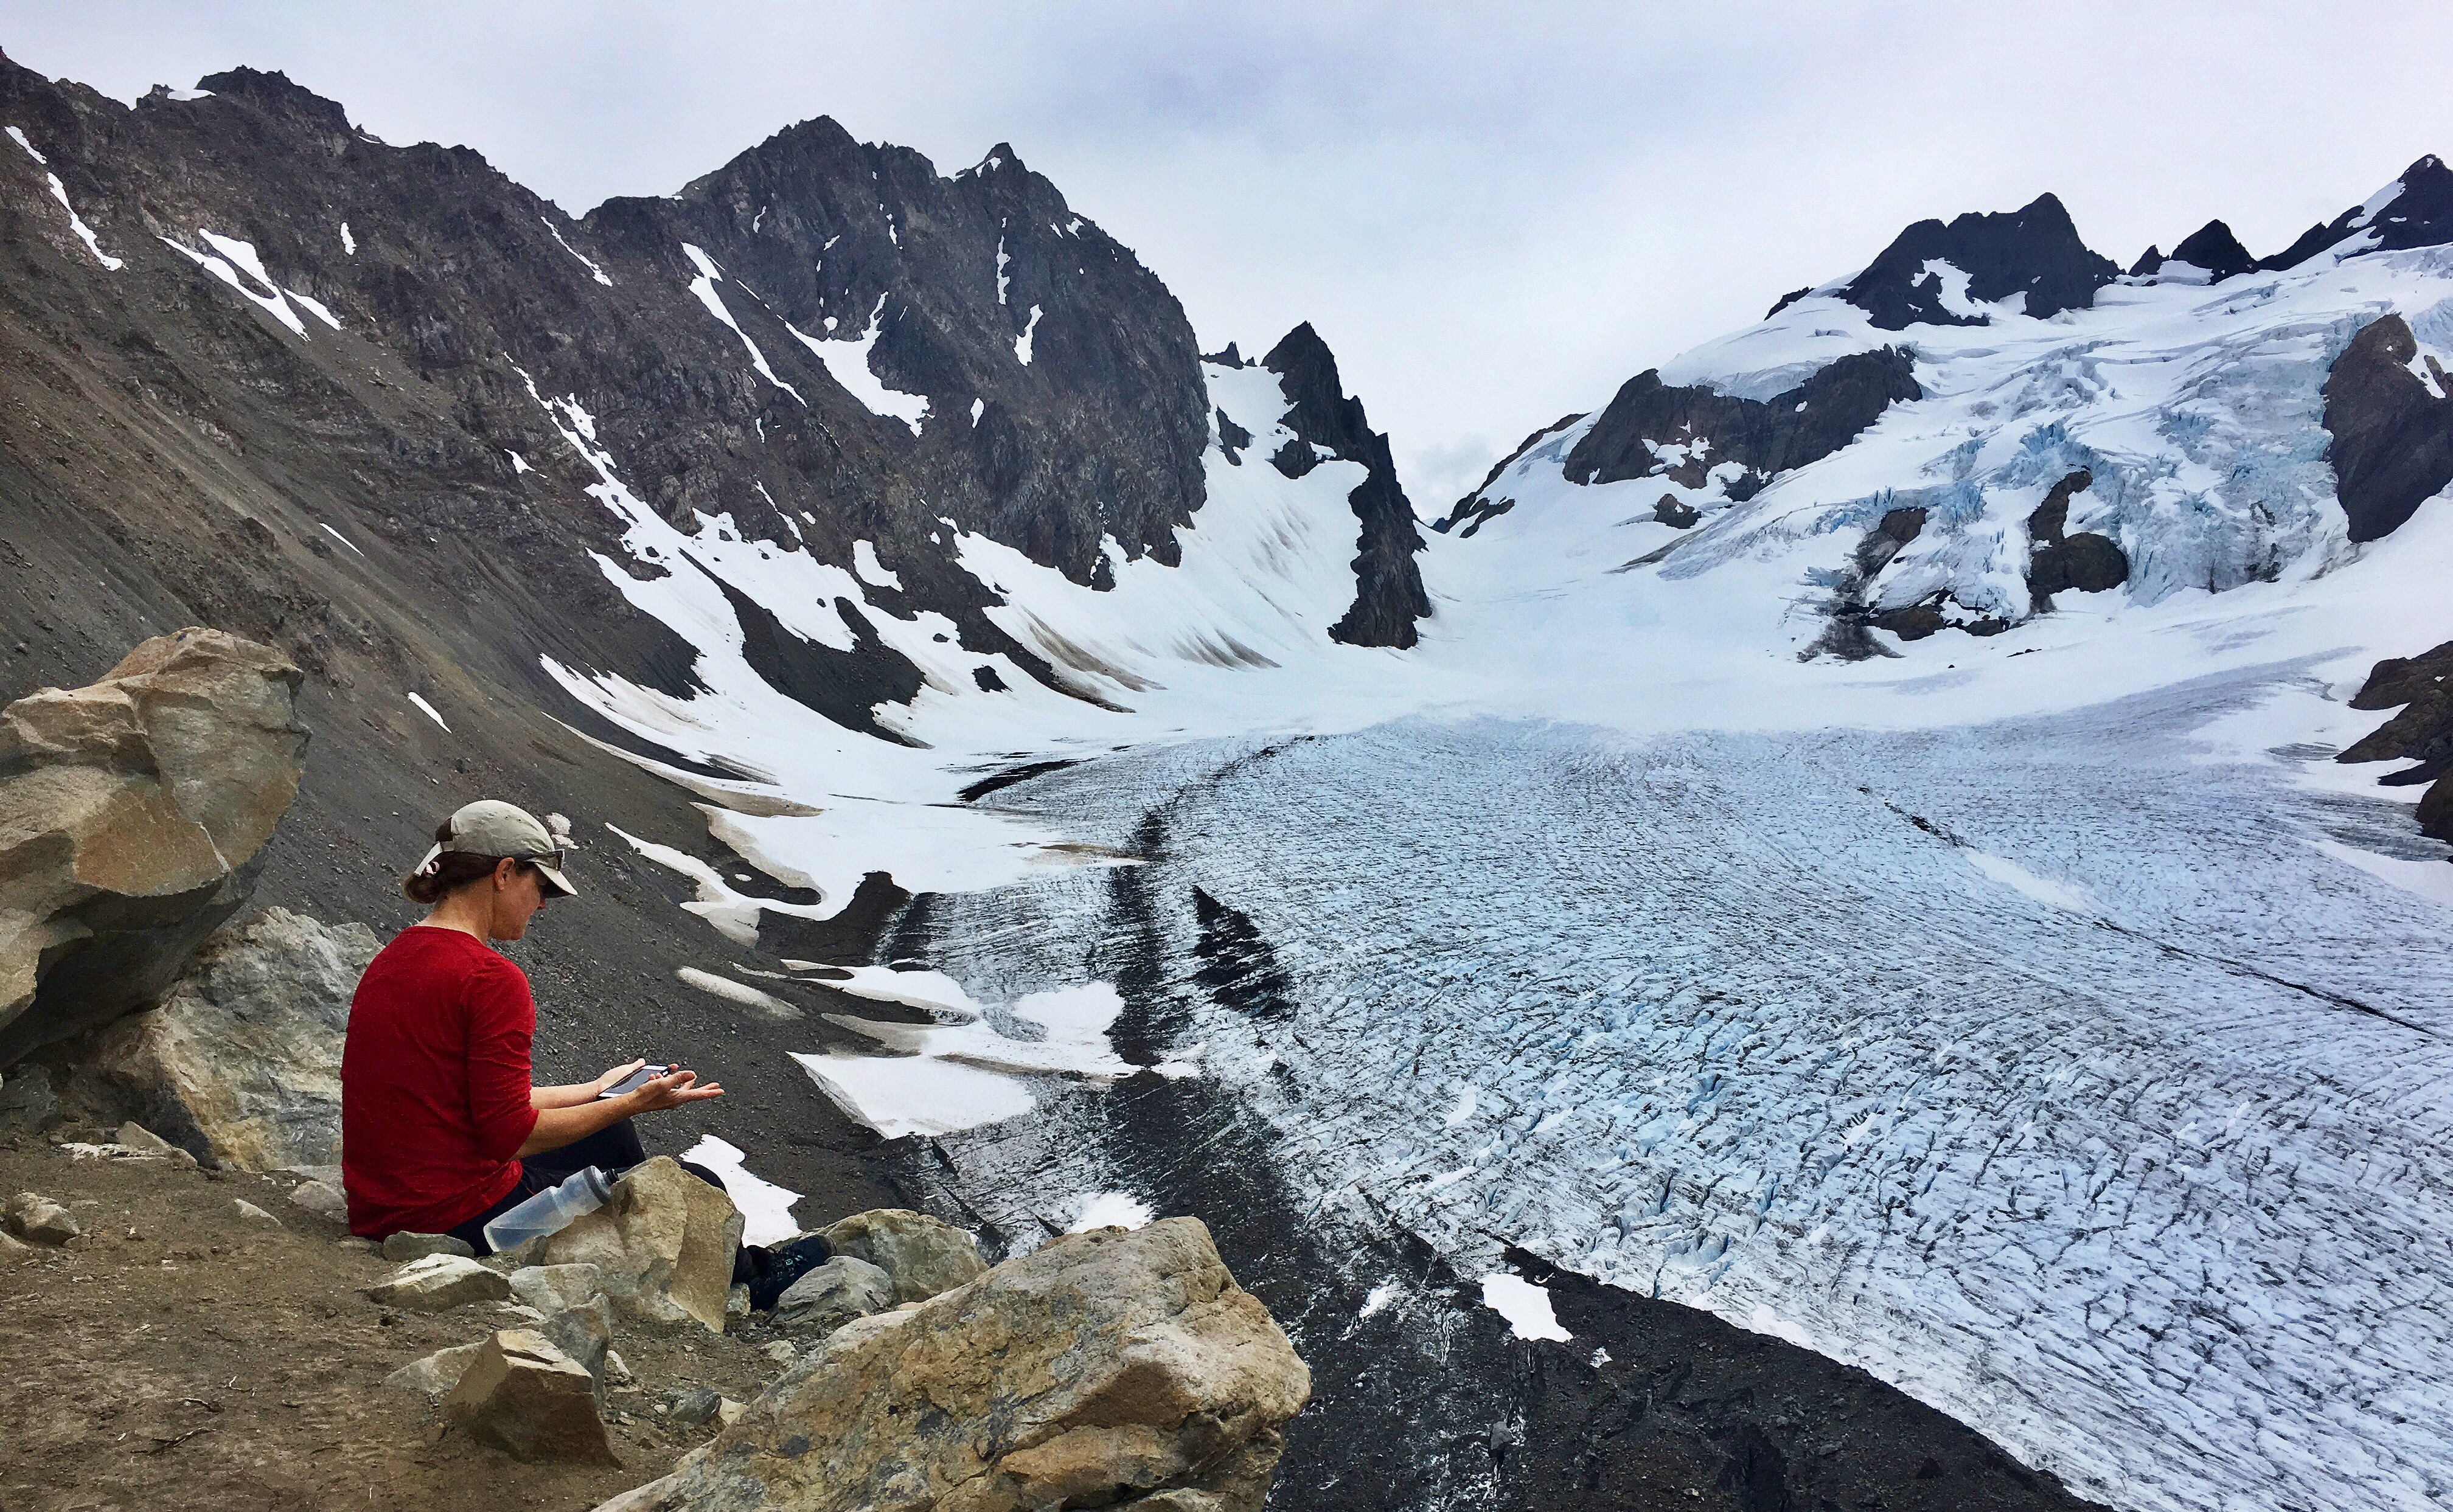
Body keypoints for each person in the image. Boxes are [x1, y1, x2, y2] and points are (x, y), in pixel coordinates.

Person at [339, 799, 725, 1252]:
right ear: (504, 873)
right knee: (693, 1183)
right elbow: (509, 1137)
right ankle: (750, 1281)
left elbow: (464, 1104)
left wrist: (596, 1089)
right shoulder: (490, 979)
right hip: (461, 1215)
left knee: (608, 1131)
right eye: (539, 885)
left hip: (383, 1206)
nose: (541, 904)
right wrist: (632, 1104)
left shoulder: (395, 956)